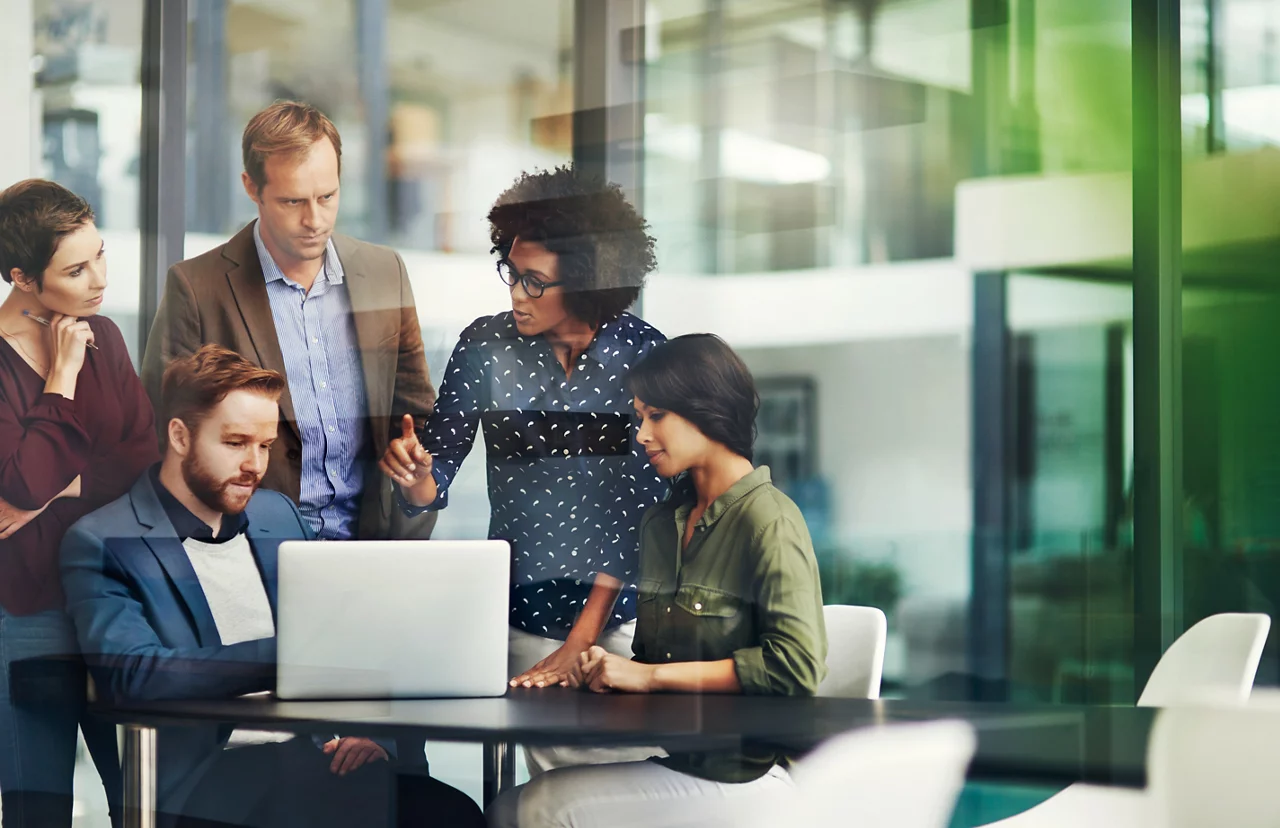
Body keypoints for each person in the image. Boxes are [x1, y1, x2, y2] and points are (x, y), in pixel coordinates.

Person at [60, 344, 484, 828]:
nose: (255, 465)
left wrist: (369, 733)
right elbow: (132, 675)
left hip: (314, 758)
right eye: (236, 442)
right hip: (206, 783)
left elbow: (345, 638)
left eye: (264, 445)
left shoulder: (276, 514)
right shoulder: (102, 539)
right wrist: (289, 659)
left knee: (453, 814)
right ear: (179, 436)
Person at [378, 166, 666, 772]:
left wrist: (578, 646)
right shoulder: (484, 346)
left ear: (588, 283)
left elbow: (639, 518)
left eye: (535, 282)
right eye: (511, 273)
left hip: (617, 624)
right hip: (515, 617)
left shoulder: (646, 359)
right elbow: (440, 470)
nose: (516, 294)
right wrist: (416, 476)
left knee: (610, 783)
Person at [486, 334, 829, 828]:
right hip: (679, 761)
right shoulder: (662, 524)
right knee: (510, 807)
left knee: (536, 809)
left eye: (657, 416)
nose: (642, 434)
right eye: (639, 417)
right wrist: (606, 672)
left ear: (707, 412)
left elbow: (795, 669)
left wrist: (645, 677)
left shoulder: (770, 520)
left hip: (748, 778)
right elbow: (655, 664)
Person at [140, 100, 437, 543]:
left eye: (327, 197)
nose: (314, 220)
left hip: (370, 548)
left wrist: (415, 472)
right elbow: (162, 437)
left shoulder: (383, 272)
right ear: (251, 187)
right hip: (247, 551)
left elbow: (416, 416)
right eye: (292, 200)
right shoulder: (197, 288)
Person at [0, 179, 159, 827]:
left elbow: (142, 462)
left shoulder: (109, 338)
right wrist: (61, 377)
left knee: (145, 799)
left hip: (117, 605)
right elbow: (22, 486)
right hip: (27, 612)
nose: (98, 281)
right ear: (22, 278)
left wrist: (54, 485)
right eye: (74, 269)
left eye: (99, 256)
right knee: (38, 809)